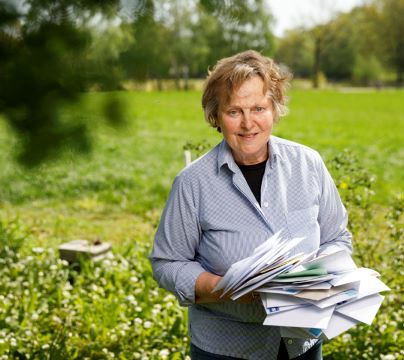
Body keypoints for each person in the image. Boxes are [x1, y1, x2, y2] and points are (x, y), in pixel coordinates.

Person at [149, 50, 352, 360]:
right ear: (216, 116)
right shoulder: (192, 183)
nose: (248, 123)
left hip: (303, 344)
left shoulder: (308, 164)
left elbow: (337, 237)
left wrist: (314, 278)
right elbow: (167, 262)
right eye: (234, 111)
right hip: (227, 349)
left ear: (274, 109)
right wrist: (222, 288)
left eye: (258, 108)